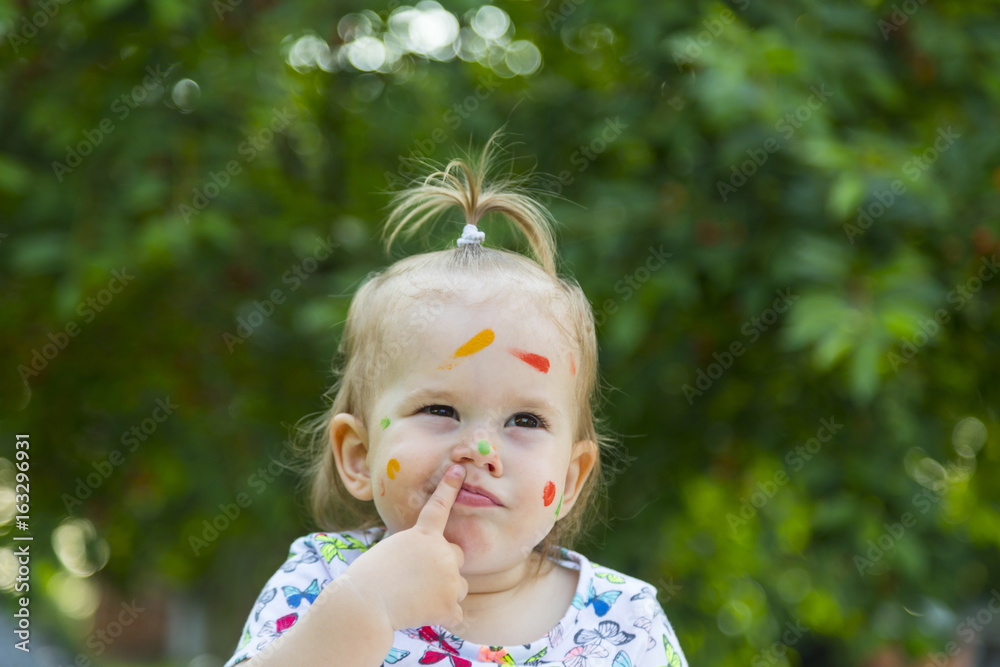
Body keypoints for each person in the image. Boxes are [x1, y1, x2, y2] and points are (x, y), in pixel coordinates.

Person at [223, 130, 688, 667]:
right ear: (358, 454)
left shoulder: (625, 621)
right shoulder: (323, 583)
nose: (480, 449)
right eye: (440, 410)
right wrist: (364, 607)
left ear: (569, 480)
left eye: (525, 419)